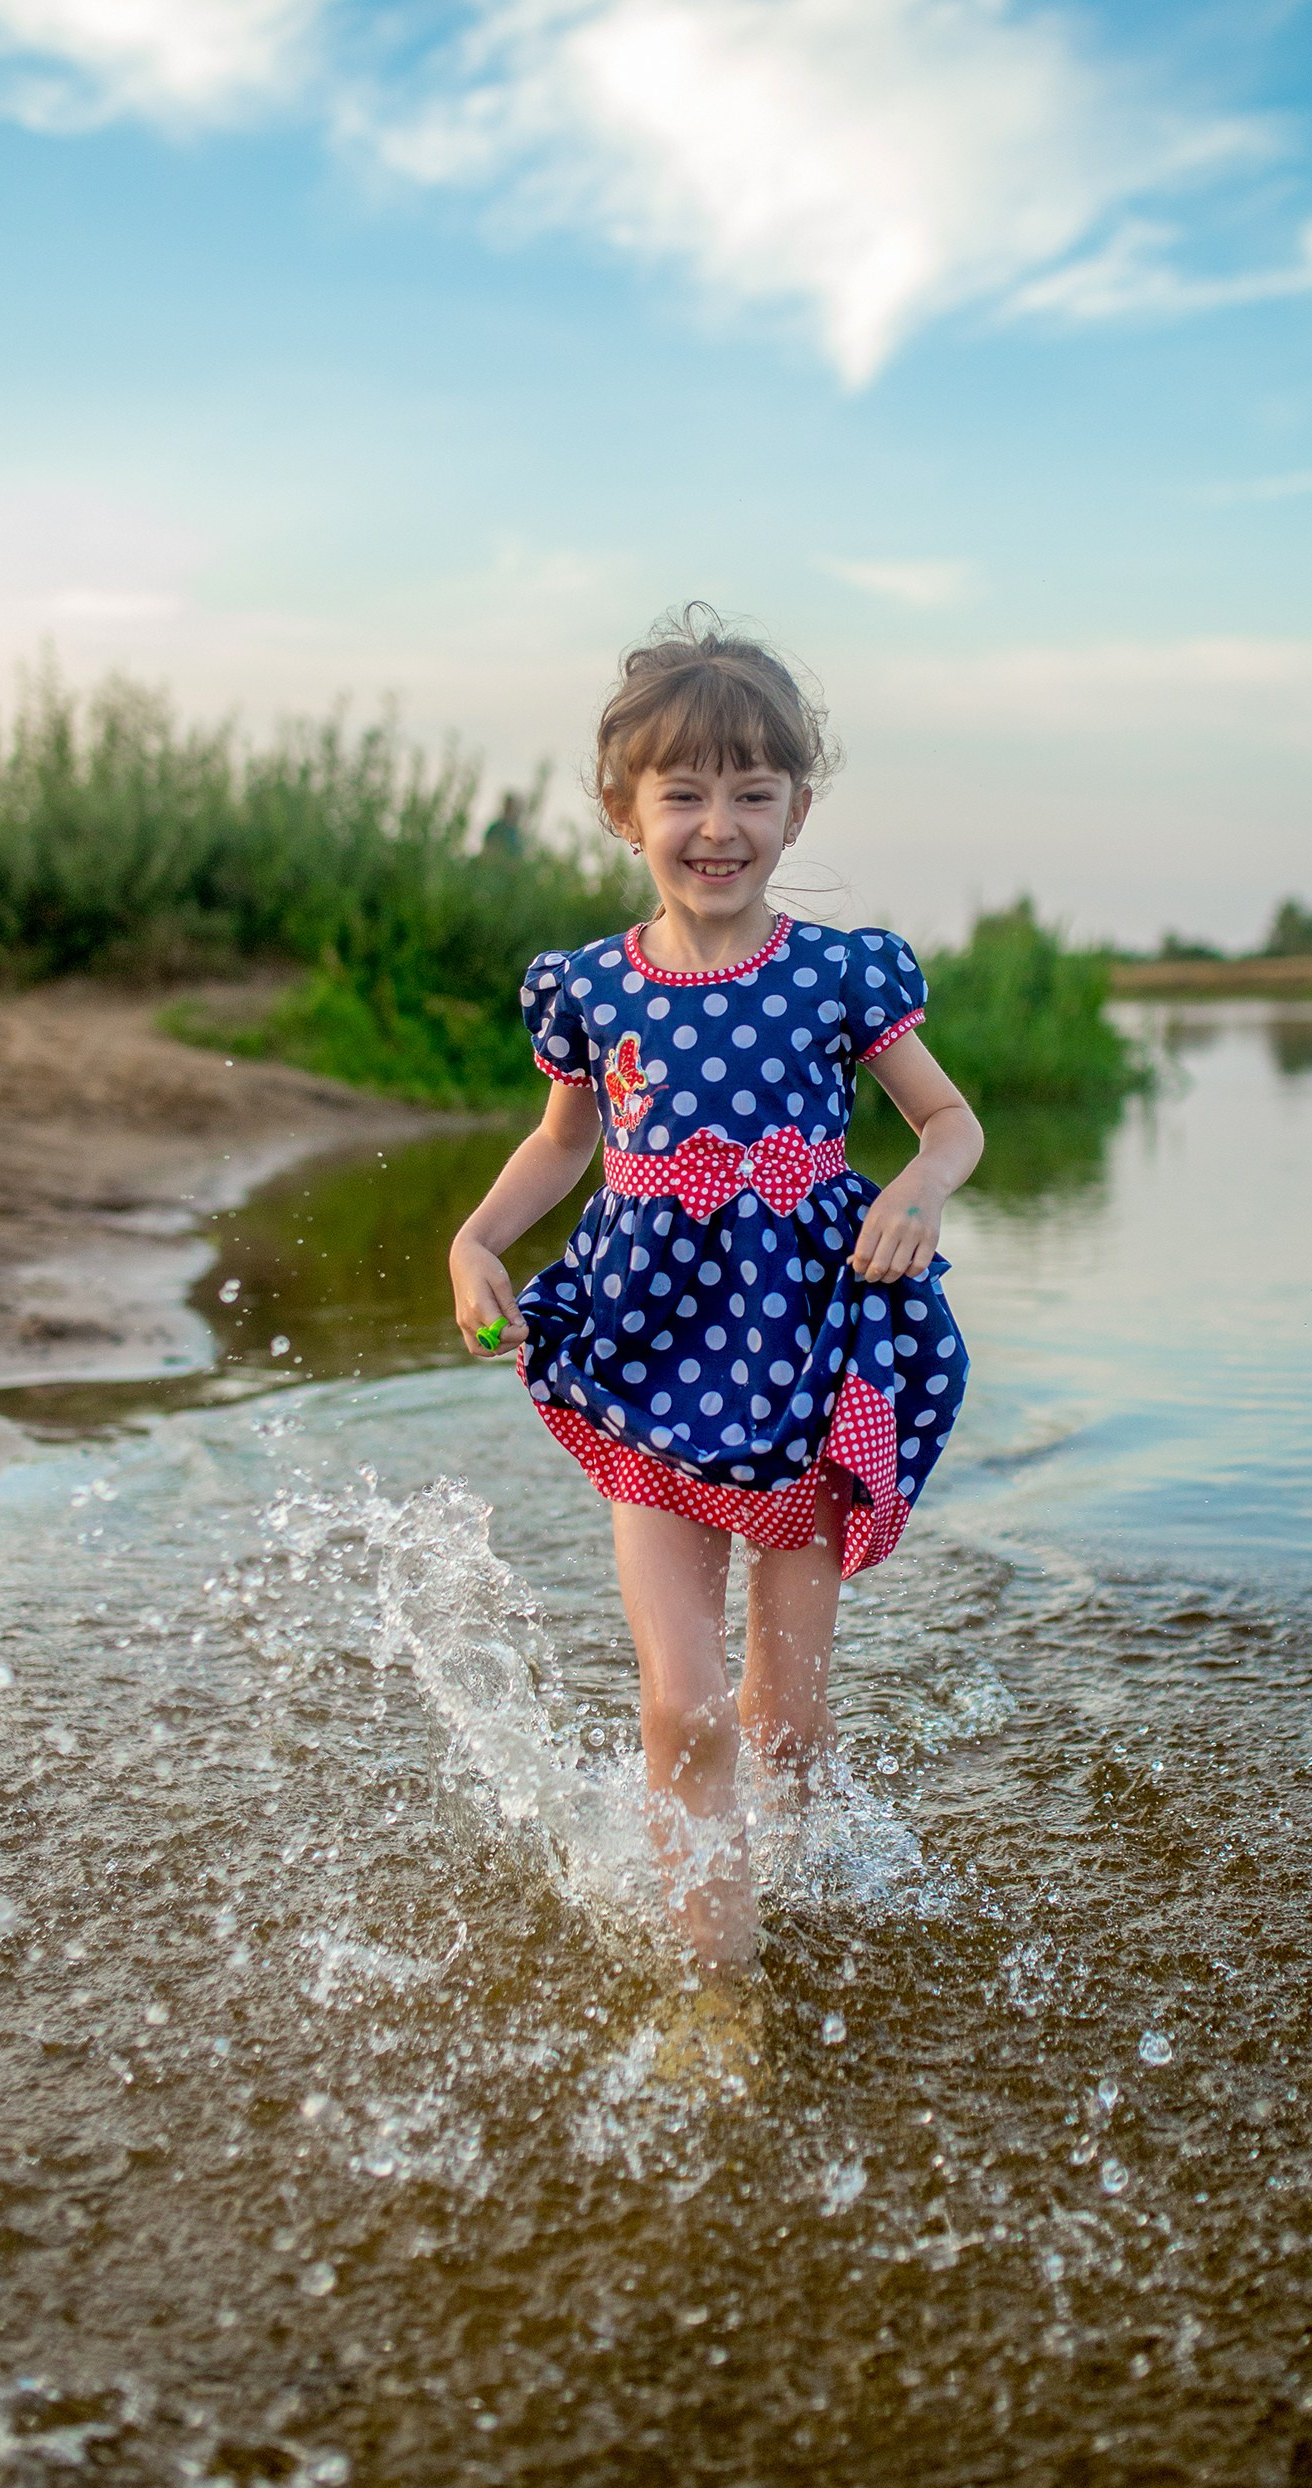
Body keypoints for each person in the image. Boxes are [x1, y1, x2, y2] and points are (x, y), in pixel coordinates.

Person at [449, 611, 981, 1972]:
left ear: (797, 808)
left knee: (785, 1727)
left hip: (810, 1352)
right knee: (685, 1714)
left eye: (753, 791)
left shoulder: (838, 975)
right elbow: (563, 1141)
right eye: (684, 792)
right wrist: (477, 1240)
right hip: (647, 1347)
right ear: (624, 808)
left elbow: (951, 1124)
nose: (718, 824)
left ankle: (803, 1905)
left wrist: (919, 1193)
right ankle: (717, 1990)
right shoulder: (590, 989)